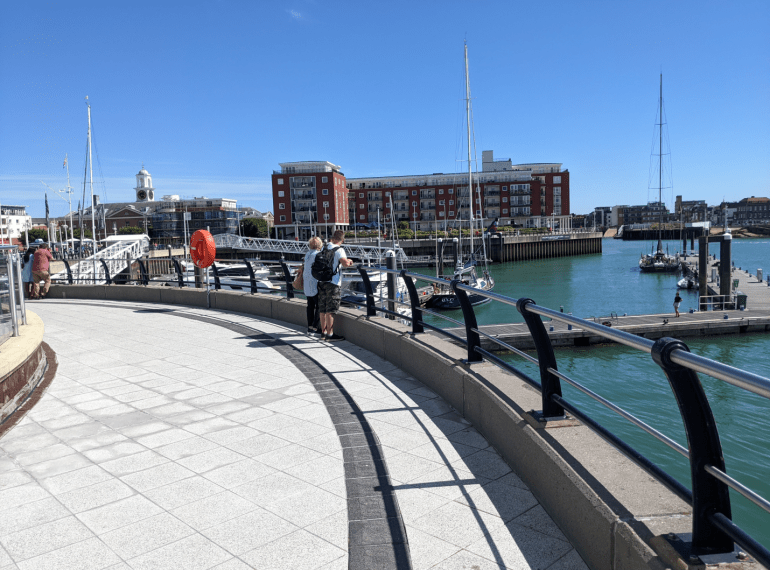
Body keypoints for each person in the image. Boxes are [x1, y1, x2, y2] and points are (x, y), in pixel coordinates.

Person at [317, 230, 354, 342]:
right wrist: (350, 261)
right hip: (333, 283)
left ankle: (323, 333)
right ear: (342, 240)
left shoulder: (324, 247)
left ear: (333, 238)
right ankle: (330, 335)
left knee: (322, 308)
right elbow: (345, 264)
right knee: (331, 309)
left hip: (322, 281)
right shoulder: (340, 250)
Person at [303, 236, 322, 335]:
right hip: (315, 282)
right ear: (320, 245)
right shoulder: (318, 255)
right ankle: (315, 327)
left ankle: (309, 327)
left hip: (307, 282)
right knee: (319, 305)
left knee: (310, 305)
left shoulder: (307, 254)